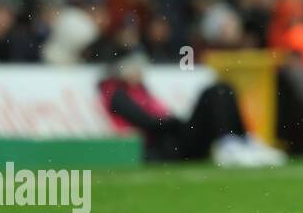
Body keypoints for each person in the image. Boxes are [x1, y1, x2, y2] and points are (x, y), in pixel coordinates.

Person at [98, 52, 286, 166]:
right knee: (214, 93)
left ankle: (243, 139)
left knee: (224, 88)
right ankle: (228, 143)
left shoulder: (139, 89)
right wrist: (175, 122)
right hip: (166, 145)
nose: (140, 71)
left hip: (174, 137)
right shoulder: (116, 95)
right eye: (135, 66)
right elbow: (146, 122)